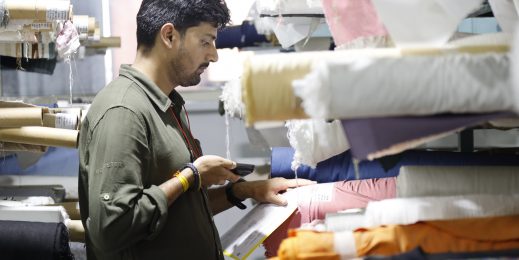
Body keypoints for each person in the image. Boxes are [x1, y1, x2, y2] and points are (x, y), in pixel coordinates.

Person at [78, 0, 315, 259]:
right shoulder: (123, 111)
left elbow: (177, 211)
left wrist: (245, 190)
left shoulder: (166, 104)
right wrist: (189, 177)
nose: (213, 55)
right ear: (169, 35)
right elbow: (111, 228)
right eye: (205, 41)